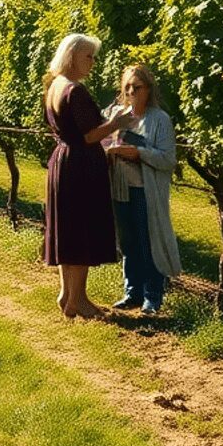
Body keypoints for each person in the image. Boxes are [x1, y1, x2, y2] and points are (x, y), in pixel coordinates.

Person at [42, 33, 137, 319]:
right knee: (81, 229)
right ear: (71, 56)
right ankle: (78, 300)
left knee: (68, 229)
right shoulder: (75, 90)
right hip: (80, 164)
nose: (93, 62)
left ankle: (66, 294)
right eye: (88, 56)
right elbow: (89, 136)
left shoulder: (55, 86)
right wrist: (117, 122)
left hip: (63, 160)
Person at [104, 64, 182, 313]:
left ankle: (152, 296)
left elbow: (168, 159)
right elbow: (102, 141)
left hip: (145, 191)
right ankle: (132, 292)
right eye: (127, 87)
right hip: (120, 189)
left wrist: (138, 153)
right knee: (128, 243)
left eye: (136, 87)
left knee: (149, 241)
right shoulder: (116, 114)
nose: (131, 92)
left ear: (148, 89)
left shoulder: (159, 120)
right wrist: (110, 151)